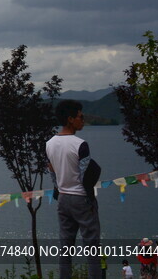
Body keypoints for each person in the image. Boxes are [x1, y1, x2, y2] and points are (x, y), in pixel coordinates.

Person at [47, 99, 102, 279]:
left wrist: (59, 188)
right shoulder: (80, 144)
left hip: (63, 198)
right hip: (81, 199)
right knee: (92, 248)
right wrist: (90, 198)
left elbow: (52, 172)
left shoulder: (49, 143)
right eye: (80, 116)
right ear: (71, 119)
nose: (83, 119)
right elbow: (85, 175)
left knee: (65, 247)